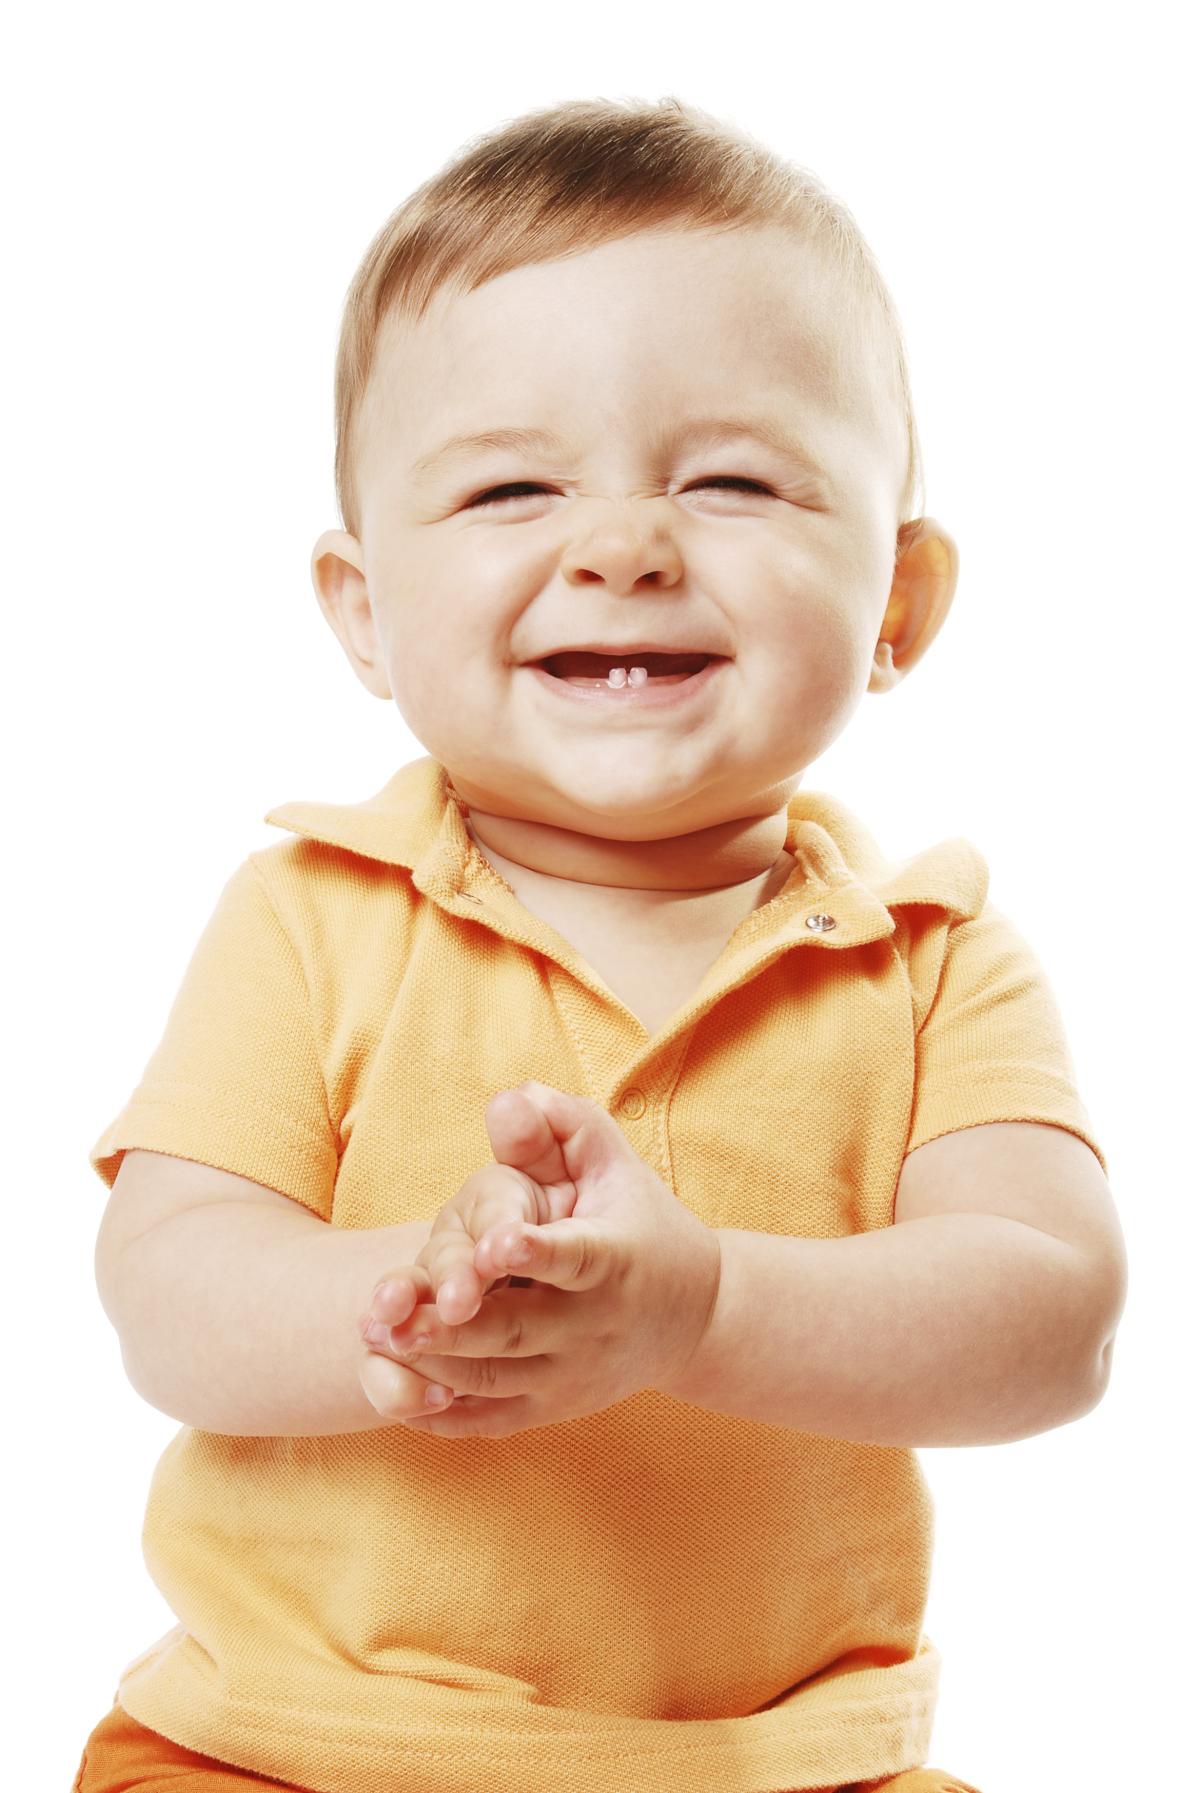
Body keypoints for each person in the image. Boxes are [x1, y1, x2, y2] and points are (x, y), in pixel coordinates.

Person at [75, 95, 1127, 1793]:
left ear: (898, 607)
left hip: (790, 1763)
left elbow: (1052, 1322)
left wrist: (698, 1304)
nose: (624, 544)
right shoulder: (311, 915)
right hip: (287, 1747)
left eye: (729, 480)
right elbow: (167, 1296)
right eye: (511, 485)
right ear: (363, 610)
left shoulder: (933, 958)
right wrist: (414, 1295)